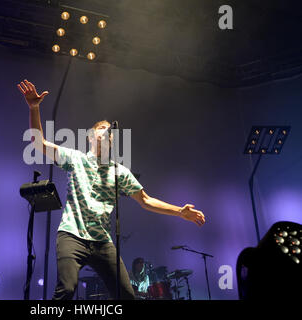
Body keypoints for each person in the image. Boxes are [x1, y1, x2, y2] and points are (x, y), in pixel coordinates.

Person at [17, 79, 206, 300]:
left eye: (110, 132)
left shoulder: (120, 172)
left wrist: (179, 212)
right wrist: (34, 108)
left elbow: (145, 200)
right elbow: (39, 143)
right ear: (90, 137)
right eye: (102, 130)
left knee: (126, 295)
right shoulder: (75, 159)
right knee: (67, 289)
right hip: (72, 236)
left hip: (102, 242)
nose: (107, 133)